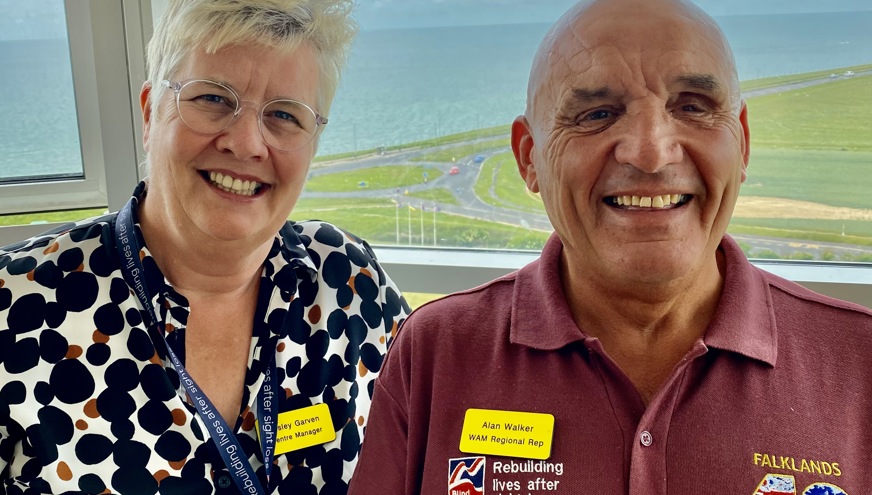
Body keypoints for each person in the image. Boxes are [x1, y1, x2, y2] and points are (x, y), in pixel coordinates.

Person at [348, 0, 872, 493]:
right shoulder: (437, 353)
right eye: (597, 113)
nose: (650, 152)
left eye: (692, 106)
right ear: (529, 158)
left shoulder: (859, 363)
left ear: (743, 143)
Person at [0, 0, 409, 493]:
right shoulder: (9, 307)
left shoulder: (351, 284)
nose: (247, 143)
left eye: (283, 115)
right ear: (150, 114)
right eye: (213, 99)